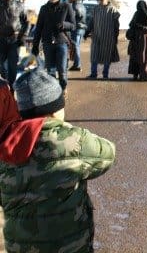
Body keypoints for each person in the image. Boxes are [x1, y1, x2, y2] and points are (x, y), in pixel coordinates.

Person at [0, 63, 115, 253]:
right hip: (69, 246)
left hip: (21, 247)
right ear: (54, 110)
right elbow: (108, 154)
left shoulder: (6, 145)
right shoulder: (71, 139)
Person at [31, 0, 75, 92]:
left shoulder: (66, 6)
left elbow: (74, 25)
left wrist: (64, 24)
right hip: (47, 43)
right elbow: (39, 28)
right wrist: (35, 46)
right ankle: (54, 93)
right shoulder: (44, 8)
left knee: (62, 70)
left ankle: (63, 88)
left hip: (62, 42)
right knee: (50, 71)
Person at [84, 0, 120, 79]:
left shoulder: (113, 10)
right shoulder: (96, 9)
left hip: (108, 37)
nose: (100, 1)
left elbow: (116, 25)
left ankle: (105, 74)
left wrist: (115, 37)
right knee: (94, 55)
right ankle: (93, 74)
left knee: (107, 56)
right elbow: (91, 22)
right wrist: (87, 32)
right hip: (96, 36)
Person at [0, 0, 29, 89]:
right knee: (2, 66)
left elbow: (26, 22)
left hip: (14, 40)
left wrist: (23, 36)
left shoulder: (19, 5)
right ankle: (4, 88)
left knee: (12, 66)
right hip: (1, 40)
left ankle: (11, 88)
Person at [127, 0, 147, 81]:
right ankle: (145, 75)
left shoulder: (136, 14)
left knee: (136, 56)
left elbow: (131, 24)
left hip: (136, 39)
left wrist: (138, 27)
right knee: (145, 57)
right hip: (146, 40)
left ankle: (136, 75)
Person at [68, 0, 86, 71]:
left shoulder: (74, 6)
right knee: (76, 46)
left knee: (76, 46)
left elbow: (73, 17)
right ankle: (76, 64)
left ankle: (77, 65)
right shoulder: (82, 5)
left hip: (77, 28)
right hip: (82, 28)